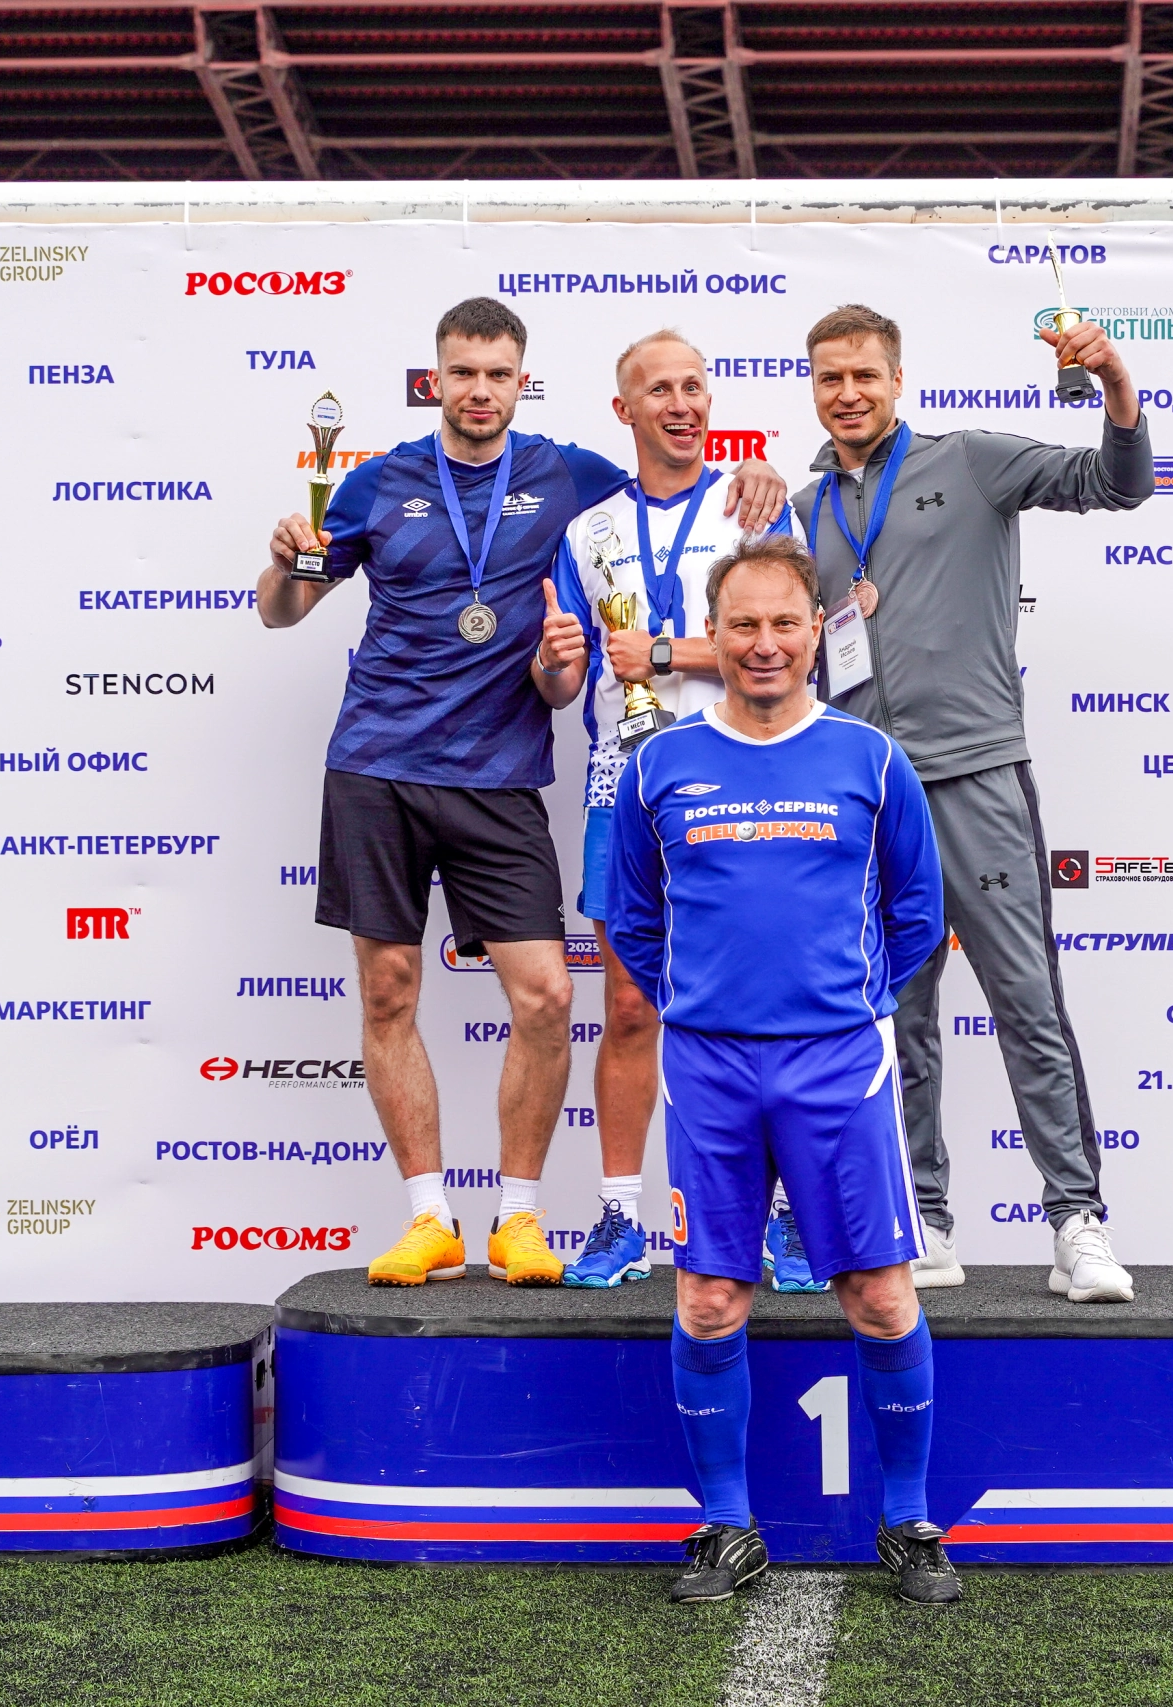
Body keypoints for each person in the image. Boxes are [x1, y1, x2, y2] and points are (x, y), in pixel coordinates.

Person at [256, 295, 784, 1289]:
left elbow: (671, 479)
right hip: (376, 764)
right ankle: (428, 1217)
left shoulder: (567, 476)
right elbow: (282, 613)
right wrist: (285, 563)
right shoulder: (374, 482)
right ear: (436, 379)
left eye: (498, 374)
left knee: (546, 995)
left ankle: (519, 1217)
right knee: (388, 989)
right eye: (463, 373)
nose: (480, 390)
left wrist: (755, 476)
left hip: (499, 774)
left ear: (520, 381)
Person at [608, 534, 958, 1605]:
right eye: (743, 625)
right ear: (712, 637)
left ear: (816, 631)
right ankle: (726, 1526)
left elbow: (917, 915)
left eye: (784, 623)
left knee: (880, 1297)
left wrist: (839, 1004)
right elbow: (634, 919)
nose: (764, 644)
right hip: (708, 1069)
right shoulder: (658, 765)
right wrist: (709, 1005)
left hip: (839, 1066)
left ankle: (909, 1522)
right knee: (711, 1298)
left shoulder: (872, 761)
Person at [792, 303, 1153, 1304]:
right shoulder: (805, 508)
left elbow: (1117, 483)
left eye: (864, 375)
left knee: (1026, 1003)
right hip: (868, 798)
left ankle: (1075, 1221)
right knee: (896, 1019)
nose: (848, 394)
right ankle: (924, 1220)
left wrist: (1115, 381)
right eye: (829, 378)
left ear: (897, 380)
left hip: (976, 776)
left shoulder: (971, 460)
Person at [531, 329, 822, 1293]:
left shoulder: (753, 508)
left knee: (765, 1002)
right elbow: (564, 686)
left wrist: (662, 653)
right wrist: (557, 662)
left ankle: (783, 1220)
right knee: (627, 1006)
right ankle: (620, 1218)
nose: (682, 404)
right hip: (625, 787)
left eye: (694, 386)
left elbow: (788, 648)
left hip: (746, 782)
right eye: (659, 390)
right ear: (626, 411)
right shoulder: (589, 530)